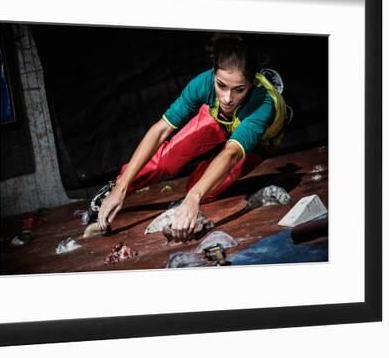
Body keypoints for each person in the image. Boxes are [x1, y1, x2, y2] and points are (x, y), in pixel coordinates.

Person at [87, 33, 287, 242]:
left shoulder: (263, 105)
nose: (228, 98)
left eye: (239, 89)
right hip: (219, 118)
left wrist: (193, 197)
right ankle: (115, 188)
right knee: (167, 158)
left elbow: (232, 153)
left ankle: (279, 104)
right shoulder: (203, 84)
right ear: (213, 75)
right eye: (221, 85)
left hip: (255, 141)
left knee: (201, 188)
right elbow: (161, 129)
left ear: (251, 82)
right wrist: (121, 187)